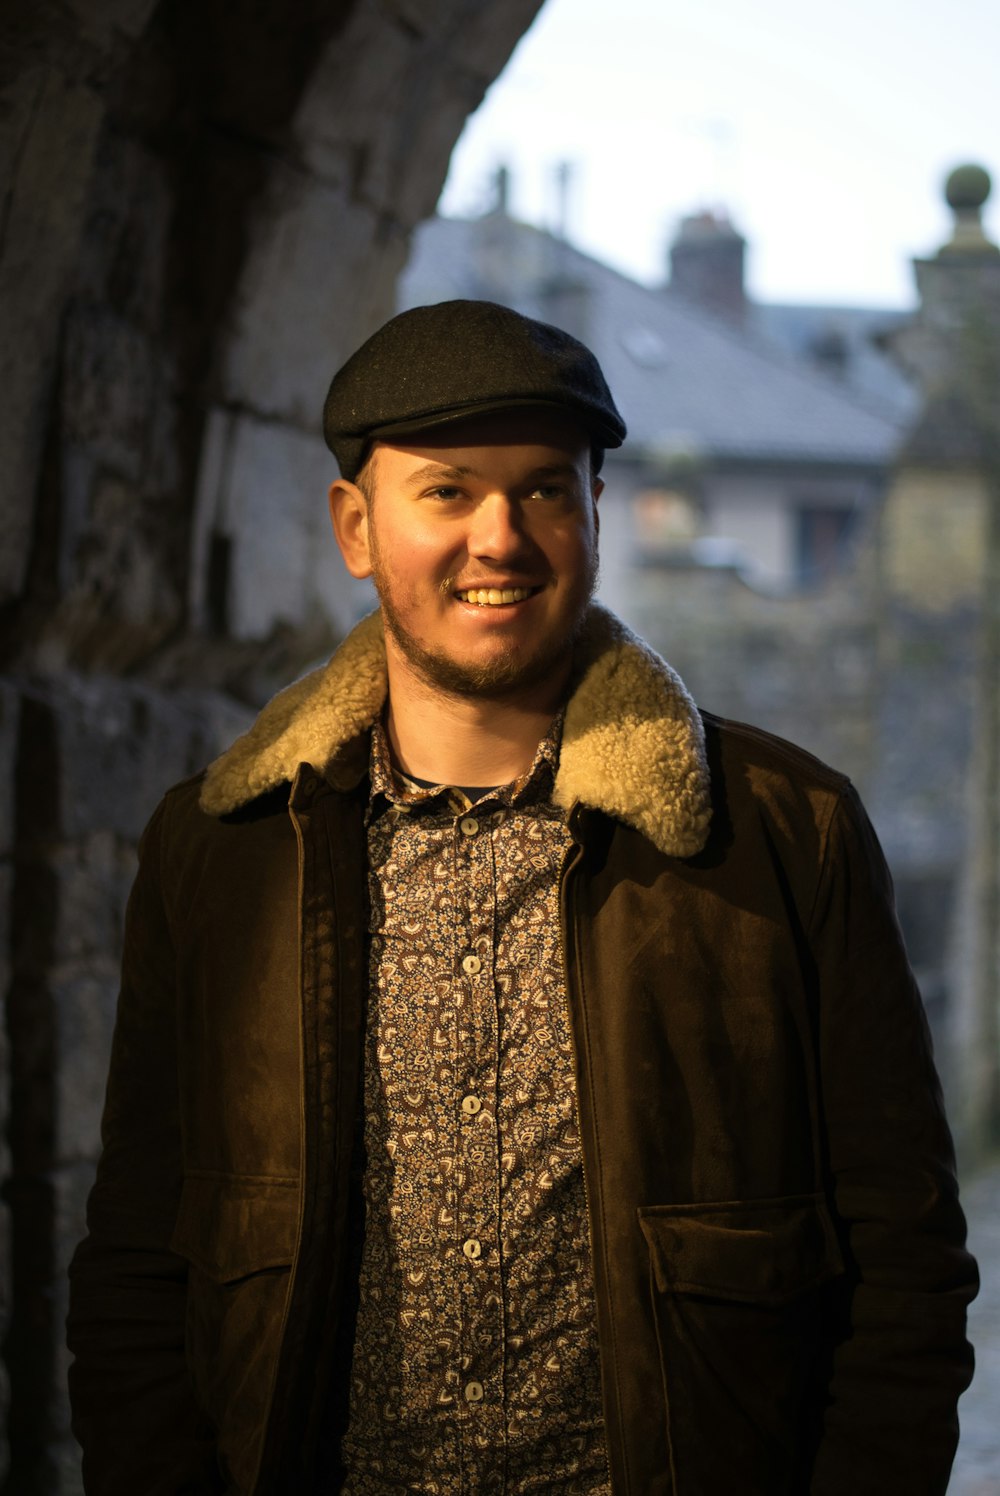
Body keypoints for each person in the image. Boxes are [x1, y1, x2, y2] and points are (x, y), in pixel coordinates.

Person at [67, 299, 977, 1496]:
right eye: (446, 490)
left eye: (544, 488)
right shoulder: (223, 846)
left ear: (596, 511)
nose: (500, 537)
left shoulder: (779, 831)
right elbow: (140, 1253)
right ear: (355, 524)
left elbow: (904, 1260)